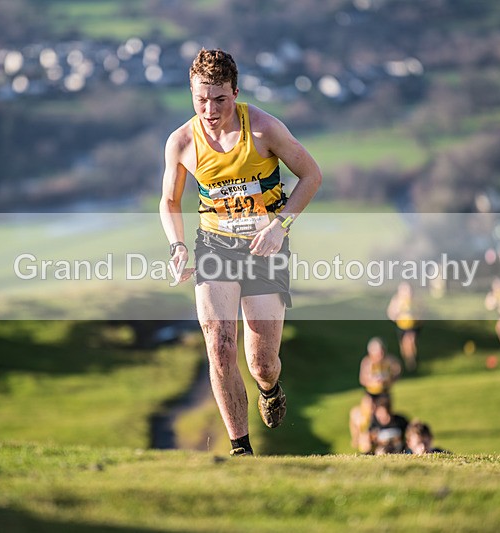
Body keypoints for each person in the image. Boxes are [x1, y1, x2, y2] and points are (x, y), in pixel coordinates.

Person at [159, 49, 322, 457]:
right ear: (191, 93)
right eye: (201, 99)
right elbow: (169, 200)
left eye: (219, 99)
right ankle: (241, 450)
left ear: (235, 92)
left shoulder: (264, 129)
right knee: (219, 345)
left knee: (261, 362)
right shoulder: (182, 142)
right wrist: (177, 245)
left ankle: (270, 388)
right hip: (215, 246)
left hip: (265, 247)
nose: (210, 110)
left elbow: (311, 175)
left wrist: (280, 226)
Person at [386, 281, 422, 372]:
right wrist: (397, 315)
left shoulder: (416, 300)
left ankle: (411, 362)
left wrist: (418, 317)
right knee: (404, 345)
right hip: (402, 326)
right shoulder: (396, 300)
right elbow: (391, 313)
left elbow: (423, 312)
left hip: (413, 326)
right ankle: (407, 360)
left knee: (410, 341)